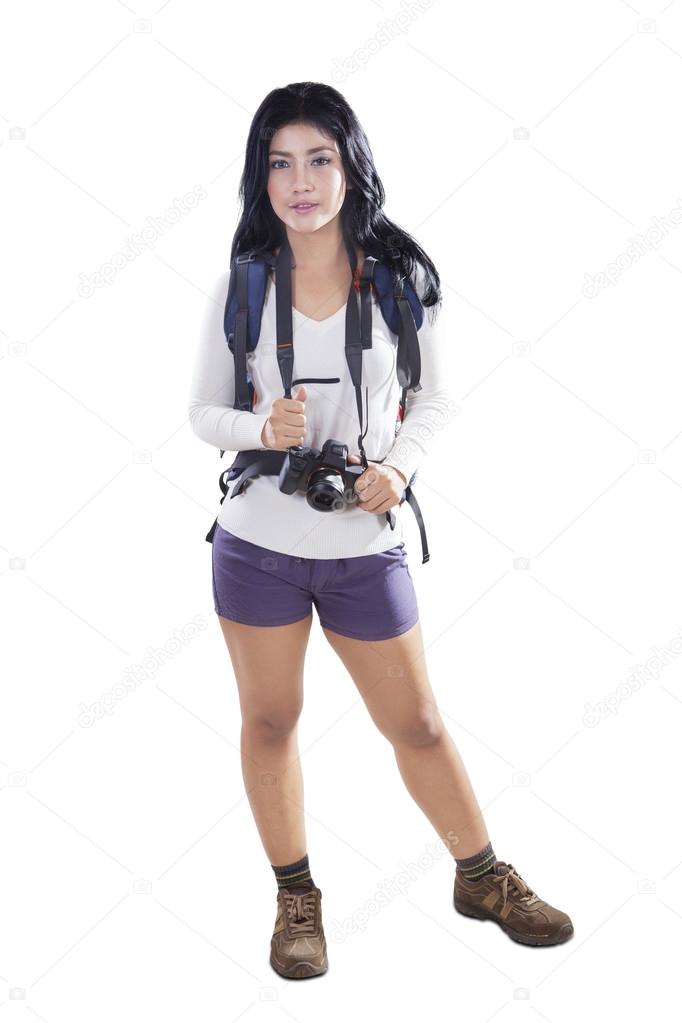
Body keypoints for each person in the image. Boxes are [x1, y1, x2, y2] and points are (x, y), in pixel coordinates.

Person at [188, 82, 573, 980]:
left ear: (350, 166)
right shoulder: (240, 287)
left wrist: (397, 469)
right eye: (279, 163)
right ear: (261, 178)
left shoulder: (401, 280)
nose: (300, 181)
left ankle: (480, 876)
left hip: (365, 543)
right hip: (256, 543)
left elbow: (435, 398)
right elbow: (202, 411)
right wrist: (259, 430)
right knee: (271, 716)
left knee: (421, 723)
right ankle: (297, 898)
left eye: (318, 158)